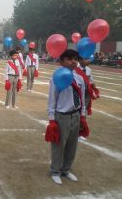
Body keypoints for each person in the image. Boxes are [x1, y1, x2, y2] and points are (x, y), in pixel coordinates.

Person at [46, 49, 88, 185]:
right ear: (62, 61)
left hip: (75, 115)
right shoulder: (56, 77)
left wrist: (82, 116)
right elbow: (52, 100)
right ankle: (55, 171)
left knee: (72, 145)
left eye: (75, 59)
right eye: (70, 59)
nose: (74, 61)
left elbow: (81, 99)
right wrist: (52, 120)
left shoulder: (79, 78)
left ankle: (66, 169)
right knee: (59, 145)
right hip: (61, 116)